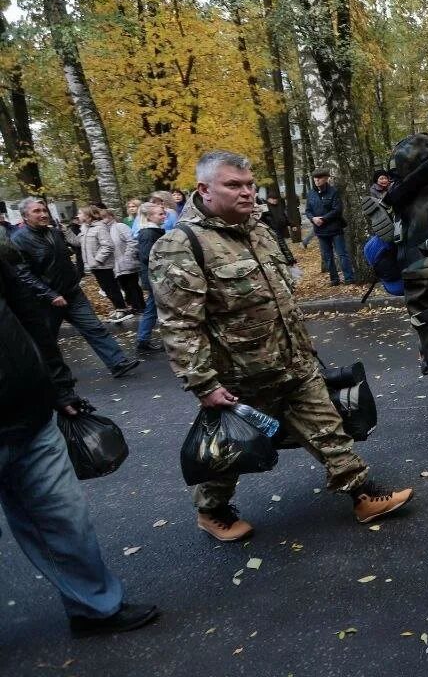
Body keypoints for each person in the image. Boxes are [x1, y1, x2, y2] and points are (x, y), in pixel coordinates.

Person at [150, 150, 413, 543]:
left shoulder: (258, 231)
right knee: (232, 451)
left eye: (249, 184)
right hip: (240, 380)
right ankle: (212, 511)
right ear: (204, 190)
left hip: (294, 364)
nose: (246, 193)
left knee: (329, 430)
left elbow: (281, 297)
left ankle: (362, 493)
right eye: (233, 185)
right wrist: (203, 383)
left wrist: (304, 348)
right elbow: (179, 324)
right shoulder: (182, 245)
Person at [0, 234, 159, 637]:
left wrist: (58, 388)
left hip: (29, 413)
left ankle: (94, 608)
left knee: (65, 518)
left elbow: (28, 318)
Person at [11, 199, 139, 378]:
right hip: (45, 301)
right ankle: (42, 378)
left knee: (95, 327)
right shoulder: (19, 240)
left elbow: (65, 260)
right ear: (25, 216)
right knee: (46, 340)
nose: (43, 214)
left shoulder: (54, 232)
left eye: (44, 210)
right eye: (37, 211)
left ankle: (118, 362)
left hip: (72, 293)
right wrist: (49, 295)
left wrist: (75, 281)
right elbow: (23, 274)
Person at [305, 168, 355, 285]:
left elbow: (337, 209)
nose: (317, 180)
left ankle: (349, 278)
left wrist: (323, 219)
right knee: (327, 256)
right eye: (315, 178)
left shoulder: (333, 192)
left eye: (320, 178)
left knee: (342, 254)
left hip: (335, 229)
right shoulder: (311, 193)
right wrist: (313, 218)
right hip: (320, 231)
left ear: (326, 178)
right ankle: (334, 279)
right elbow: (308, 210)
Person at [79, 206, 130, 320]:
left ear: (88, 215)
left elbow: (108, 246)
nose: (78, 215)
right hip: (95, 266)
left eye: (80, 213)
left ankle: (122, 308)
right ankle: (118, 308)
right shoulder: (85, 229)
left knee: (111, 287)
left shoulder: (99, 227)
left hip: (102, 265)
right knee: (106, 288)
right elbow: (79, 243)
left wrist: (97, 260)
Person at [134, 202, 167, 355]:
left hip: (155, 275)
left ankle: (143, 339)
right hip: (154, 276)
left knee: (153, 307)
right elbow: (147, 256)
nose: (164, 216)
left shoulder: (153, 232)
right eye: (160, 214)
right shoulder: (149, 233)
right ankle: (143, 339)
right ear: (149, 216)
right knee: (152, 308)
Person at [105, 208, 145, 315]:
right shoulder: (105, 230)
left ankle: (139, 307)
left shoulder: (119, 226)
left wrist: (127, 256)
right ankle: (134, 306)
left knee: (132, 286)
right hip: (117, 264)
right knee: (125, 287)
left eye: (105, 217)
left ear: (111, 216)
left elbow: (131, 241)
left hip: (127, 262)